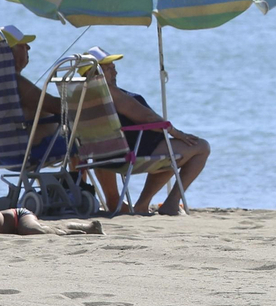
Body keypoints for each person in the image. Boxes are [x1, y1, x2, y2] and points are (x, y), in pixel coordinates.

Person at [78, 47, 211, 216]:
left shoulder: (81, 94)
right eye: (109, 68)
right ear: (94, 72)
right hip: (133, 152)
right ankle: (167, 203)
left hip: (101, 156)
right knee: (201, 147)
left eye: (113, 67)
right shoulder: (109, 92)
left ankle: (144, 205)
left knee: (173, 150)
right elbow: (147, 118)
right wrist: (176, 132)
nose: (115, 71)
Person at [0, 25, 66, 154]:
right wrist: (83, 102)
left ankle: (74, 174)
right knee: (87, 139)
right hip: (33, 149)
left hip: (2, 151)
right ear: (7, 52)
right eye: (22, 45)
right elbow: (56, 106)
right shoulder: (13, 82)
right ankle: (76, 174)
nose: (28, 48)